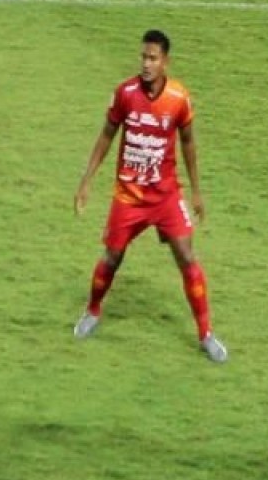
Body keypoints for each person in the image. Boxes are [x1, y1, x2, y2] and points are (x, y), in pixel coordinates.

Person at [72, 29, 227, 362]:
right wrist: (87, 179)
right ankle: (93, 311)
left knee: (186, 256)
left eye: (153, 58)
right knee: (112, 257)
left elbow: (187, 142)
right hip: (129, 195)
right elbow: (107, 135)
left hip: (166, 195)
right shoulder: (126, 93)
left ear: (165, 61)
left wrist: (196, 191)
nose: (146, 63)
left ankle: (206, 334)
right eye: (143, 56)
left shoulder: (179, 98)